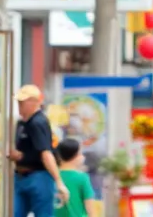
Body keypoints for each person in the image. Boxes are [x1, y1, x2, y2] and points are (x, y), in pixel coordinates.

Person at [10, 85, 69, 217]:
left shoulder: (38, 122)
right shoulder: (22, 123)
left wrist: (59, 181)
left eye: (22, 102)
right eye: (18, 102)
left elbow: (45, 153)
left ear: (34, 102)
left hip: (39, 175)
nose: (19, 105)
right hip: (21, 175)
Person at [55, 138, 99, 217]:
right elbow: (89, 205)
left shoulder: (52, 176)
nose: (83, 156)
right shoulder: (82, 178)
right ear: (75, 156)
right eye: (81, 153)